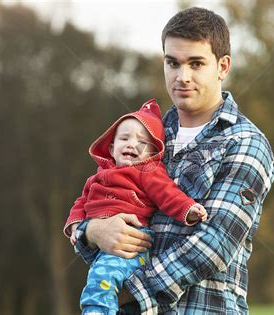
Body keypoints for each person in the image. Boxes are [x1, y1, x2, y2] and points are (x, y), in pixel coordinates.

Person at [74, 7, 274, 314]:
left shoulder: (245, 143)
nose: (183, 77)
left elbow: (214, 245)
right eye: (173, 63)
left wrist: (126, 295)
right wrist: (92, 232)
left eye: (196, 64)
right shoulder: (144, 136)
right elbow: (101, 200)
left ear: (223, 66)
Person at [64, 99, 208, 314]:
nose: (132, 144)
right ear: (111, 148)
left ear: (153, 153)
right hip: (101, 246)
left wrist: (188, 209)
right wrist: (76, 226)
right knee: (107, 282)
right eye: (124, 138)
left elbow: (168, 194)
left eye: (142, 142)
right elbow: (81, 202)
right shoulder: (98, 176)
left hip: (133, 239)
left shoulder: (147, 171)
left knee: (101, 279)